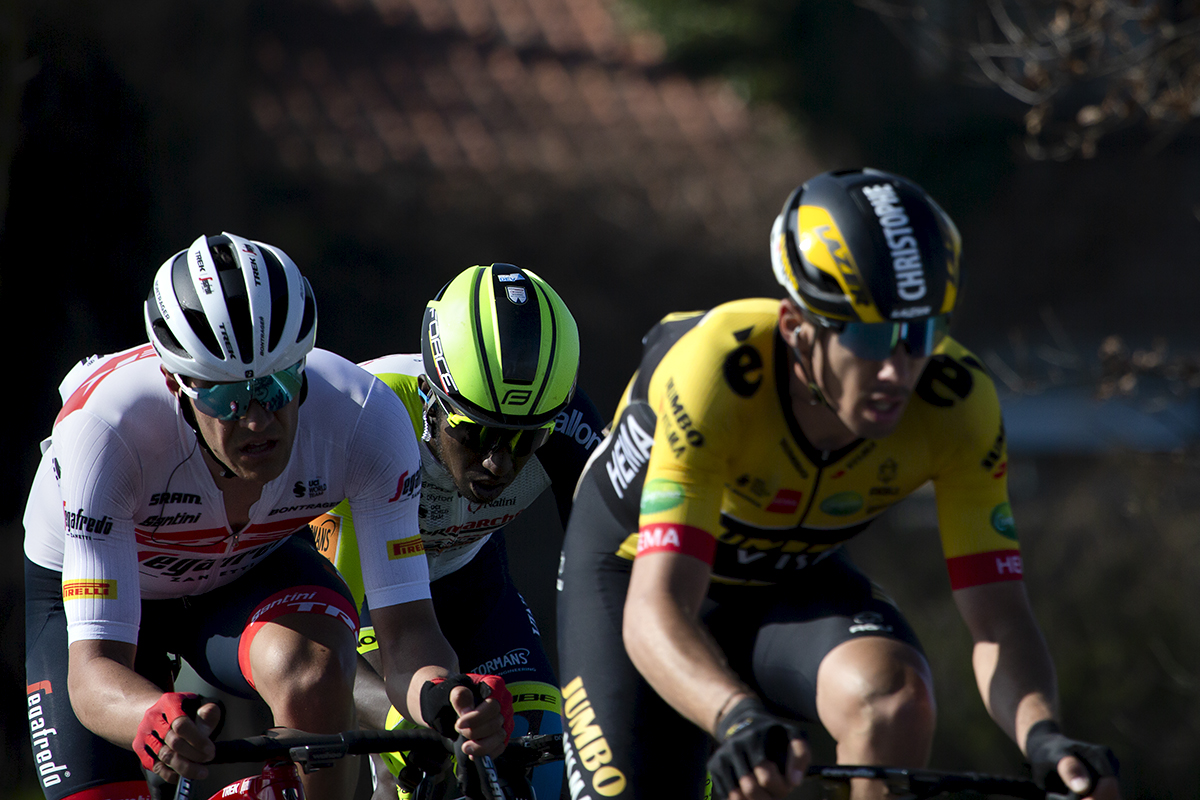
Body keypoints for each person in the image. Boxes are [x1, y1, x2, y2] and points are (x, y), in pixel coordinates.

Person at [555, 169, 1122, 800]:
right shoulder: (717, 374)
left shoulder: (959, 404)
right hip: (636, 580)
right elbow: (655, 607)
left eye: (920, 335)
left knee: (893, 701)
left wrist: (1043, 736)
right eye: (870, 335)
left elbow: (998, 619)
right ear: (798, 326)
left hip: (787, 581)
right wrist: (736, 715)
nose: (896, 370)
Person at [23, 233, 512, 800]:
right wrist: (150, 718)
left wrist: (442, 699)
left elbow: (407, 634)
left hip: (244, 569)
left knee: (317, 670)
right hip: (95, 601)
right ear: (180, 386)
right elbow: (93, 672)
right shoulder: (107, 433)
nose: (258, 420)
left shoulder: (363, 419)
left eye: (279, 386)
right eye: (227, 399)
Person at [309, 263, 605, 799]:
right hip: (362, 596)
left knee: (537, 765)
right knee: (420, 761)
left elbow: (617, 583)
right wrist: (410, 726)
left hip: (473, 581)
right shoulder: (368, 415)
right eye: (475, 433)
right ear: (431, 398)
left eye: (524, 441)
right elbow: (328, 648)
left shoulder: (568, 426)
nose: (498, 462)